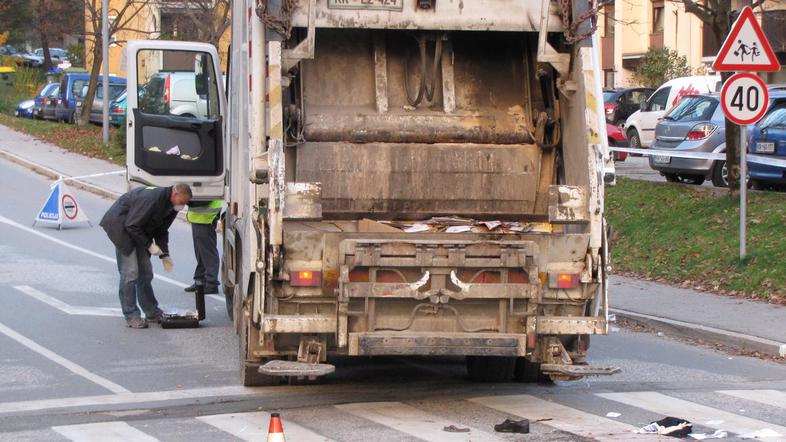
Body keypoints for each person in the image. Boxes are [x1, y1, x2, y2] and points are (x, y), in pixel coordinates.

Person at [100, 184, 192, 328]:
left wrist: (164, 255)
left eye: (185, 204)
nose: (182, 206)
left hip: (139, 231)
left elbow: (162, 230)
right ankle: (131, 315)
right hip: (122, 228)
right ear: (175, 194)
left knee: (146, 273)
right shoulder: (151, 199)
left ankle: (151, 312)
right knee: (130, 273)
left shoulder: (172, 206)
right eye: (182, 202)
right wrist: (149, 245)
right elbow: (131, 225)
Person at [184, 200, 223, 295]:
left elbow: (202, 199)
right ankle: (200, 281)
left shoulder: (207, 186)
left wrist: (187, 200)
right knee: (200, 253)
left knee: (208, 253)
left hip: (205, 217)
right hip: (199, 217)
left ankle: (211, 283)